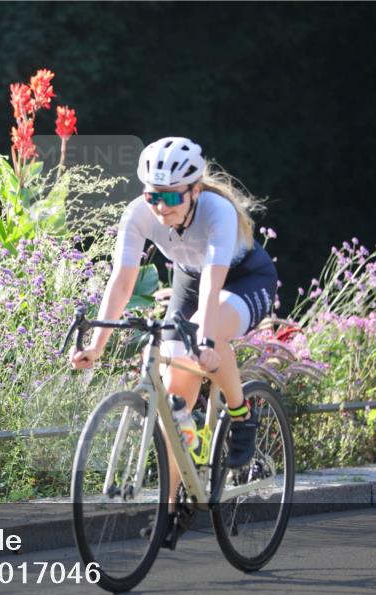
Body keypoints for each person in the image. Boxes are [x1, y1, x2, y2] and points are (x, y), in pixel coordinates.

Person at [68, 137, 277, 545]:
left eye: (170, 197)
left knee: (205, 332)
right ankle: (171, 505)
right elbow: (122, 281)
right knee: (172, 392)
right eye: (152, 196)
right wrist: (97, 345)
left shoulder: (217, 213)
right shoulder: (139, 214)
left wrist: (204, 339)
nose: (160, 207)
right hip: (191, 277)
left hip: (242, 279)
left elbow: (213, 288)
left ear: (195, 190)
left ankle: (241, 413)